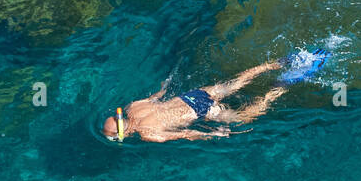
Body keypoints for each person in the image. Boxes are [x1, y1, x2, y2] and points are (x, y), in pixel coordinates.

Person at [102, 60, 287, 142]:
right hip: (193, 95)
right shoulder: (133, 106)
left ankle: (277, 89)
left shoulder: (148, 134)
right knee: (236, 83)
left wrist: (214, 134)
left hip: (201, 111)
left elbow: (186, 134)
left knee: (244, 118)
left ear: (122, 134)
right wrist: (164, 85)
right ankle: (273, 65)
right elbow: (158, 95)